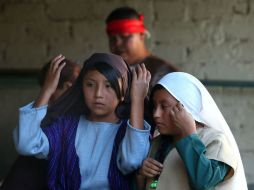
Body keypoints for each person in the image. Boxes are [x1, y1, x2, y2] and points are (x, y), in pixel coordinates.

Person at [13, 53, 151, 189]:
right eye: (90, 85)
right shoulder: (66, 127)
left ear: (124, 90)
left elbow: (133, 161)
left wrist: (137, 100)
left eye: (108, 86)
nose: (98, 94)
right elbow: (27, 144)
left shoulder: (127, 131)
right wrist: (47, 91)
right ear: (81, 87)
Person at [136, 72, 248, 190]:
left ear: (186, 107)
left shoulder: (215, 141)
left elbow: (203, 182)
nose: (156, 114)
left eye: (164, 107)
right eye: (154, 106)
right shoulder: (157, 143)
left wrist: (188, 135)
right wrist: (141, 173)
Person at [1, 55, 81, 190]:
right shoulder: (49, 118)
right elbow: (25, 143)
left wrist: (47, 90)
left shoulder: (83, 117)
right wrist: (47, 90)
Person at [105, 6, 179, 88]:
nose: (117, 43)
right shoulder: (107, 70)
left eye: (124, 37)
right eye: (112, 38)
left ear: (142, 36)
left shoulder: (163, 73)